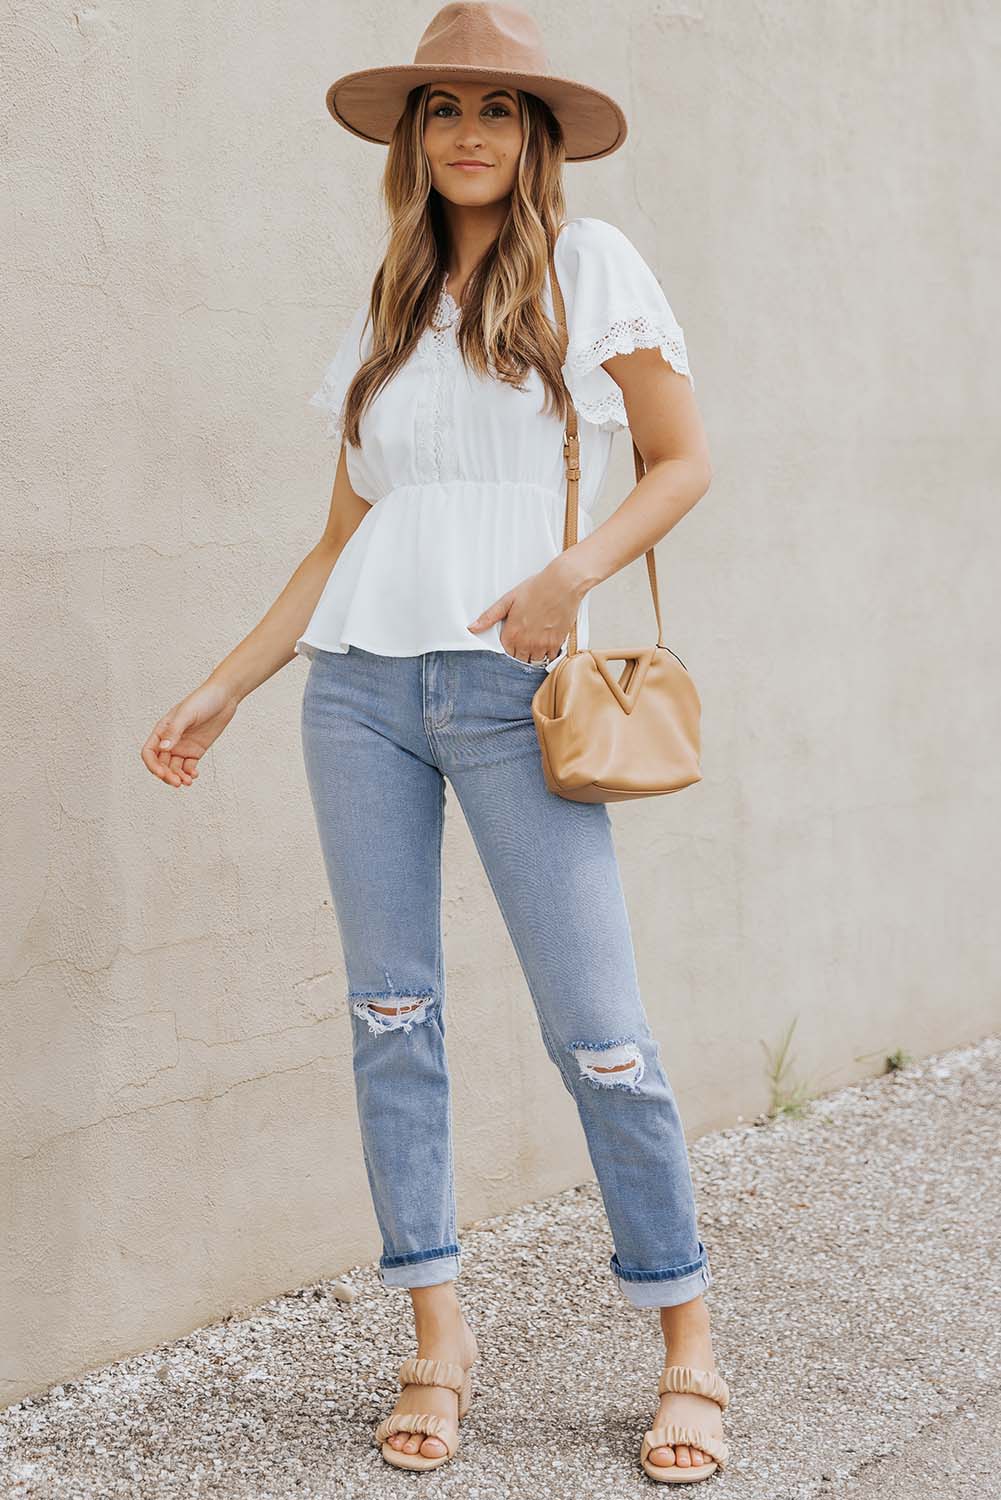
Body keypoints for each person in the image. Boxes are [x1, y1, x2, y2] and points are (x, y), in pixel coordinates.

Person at [140, 0, 730, 1483]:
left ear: (532, 137)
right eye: (441, 107)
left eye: (496, 108)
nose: (467, 128)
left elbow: (682, 460)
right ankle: (437, 1343)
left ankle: (687, 1349)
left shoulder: (590, 264)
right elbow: (344, 534)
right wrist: (229, 682)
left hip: (509, 693)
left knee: (601, 1038)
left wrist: (566, 578)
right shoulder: (388, 302)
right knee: (391, 1023)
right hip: (356, 692)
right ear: (412, 138)